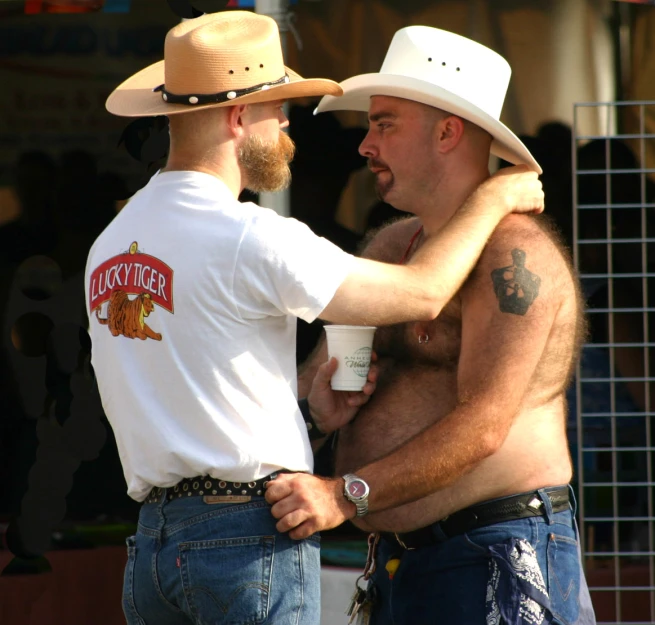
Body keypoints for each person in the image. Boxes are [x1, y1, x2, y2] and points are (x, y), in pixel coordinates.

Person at [85, 13, 543, 625]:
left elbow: (189, 389)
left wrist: (308, 415)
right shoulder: (248, 236)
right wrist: (496, 195)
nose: (286, 129)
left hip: (152, 548)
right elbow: (422, 292)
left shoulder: (112, 243)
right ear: (238, 117)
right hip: (248, 537)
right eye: (280, 110)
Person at [266, 25, 596, 624]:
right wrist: (320, 413)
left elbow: (485, 425)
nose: (365, 145)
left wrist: (343, 494)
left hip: (499, 550)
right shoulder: (392, 245)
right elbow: (312, 382)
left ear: (448, 131)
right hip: (403, 559)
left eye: (384, 123)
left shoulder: (516, 256)